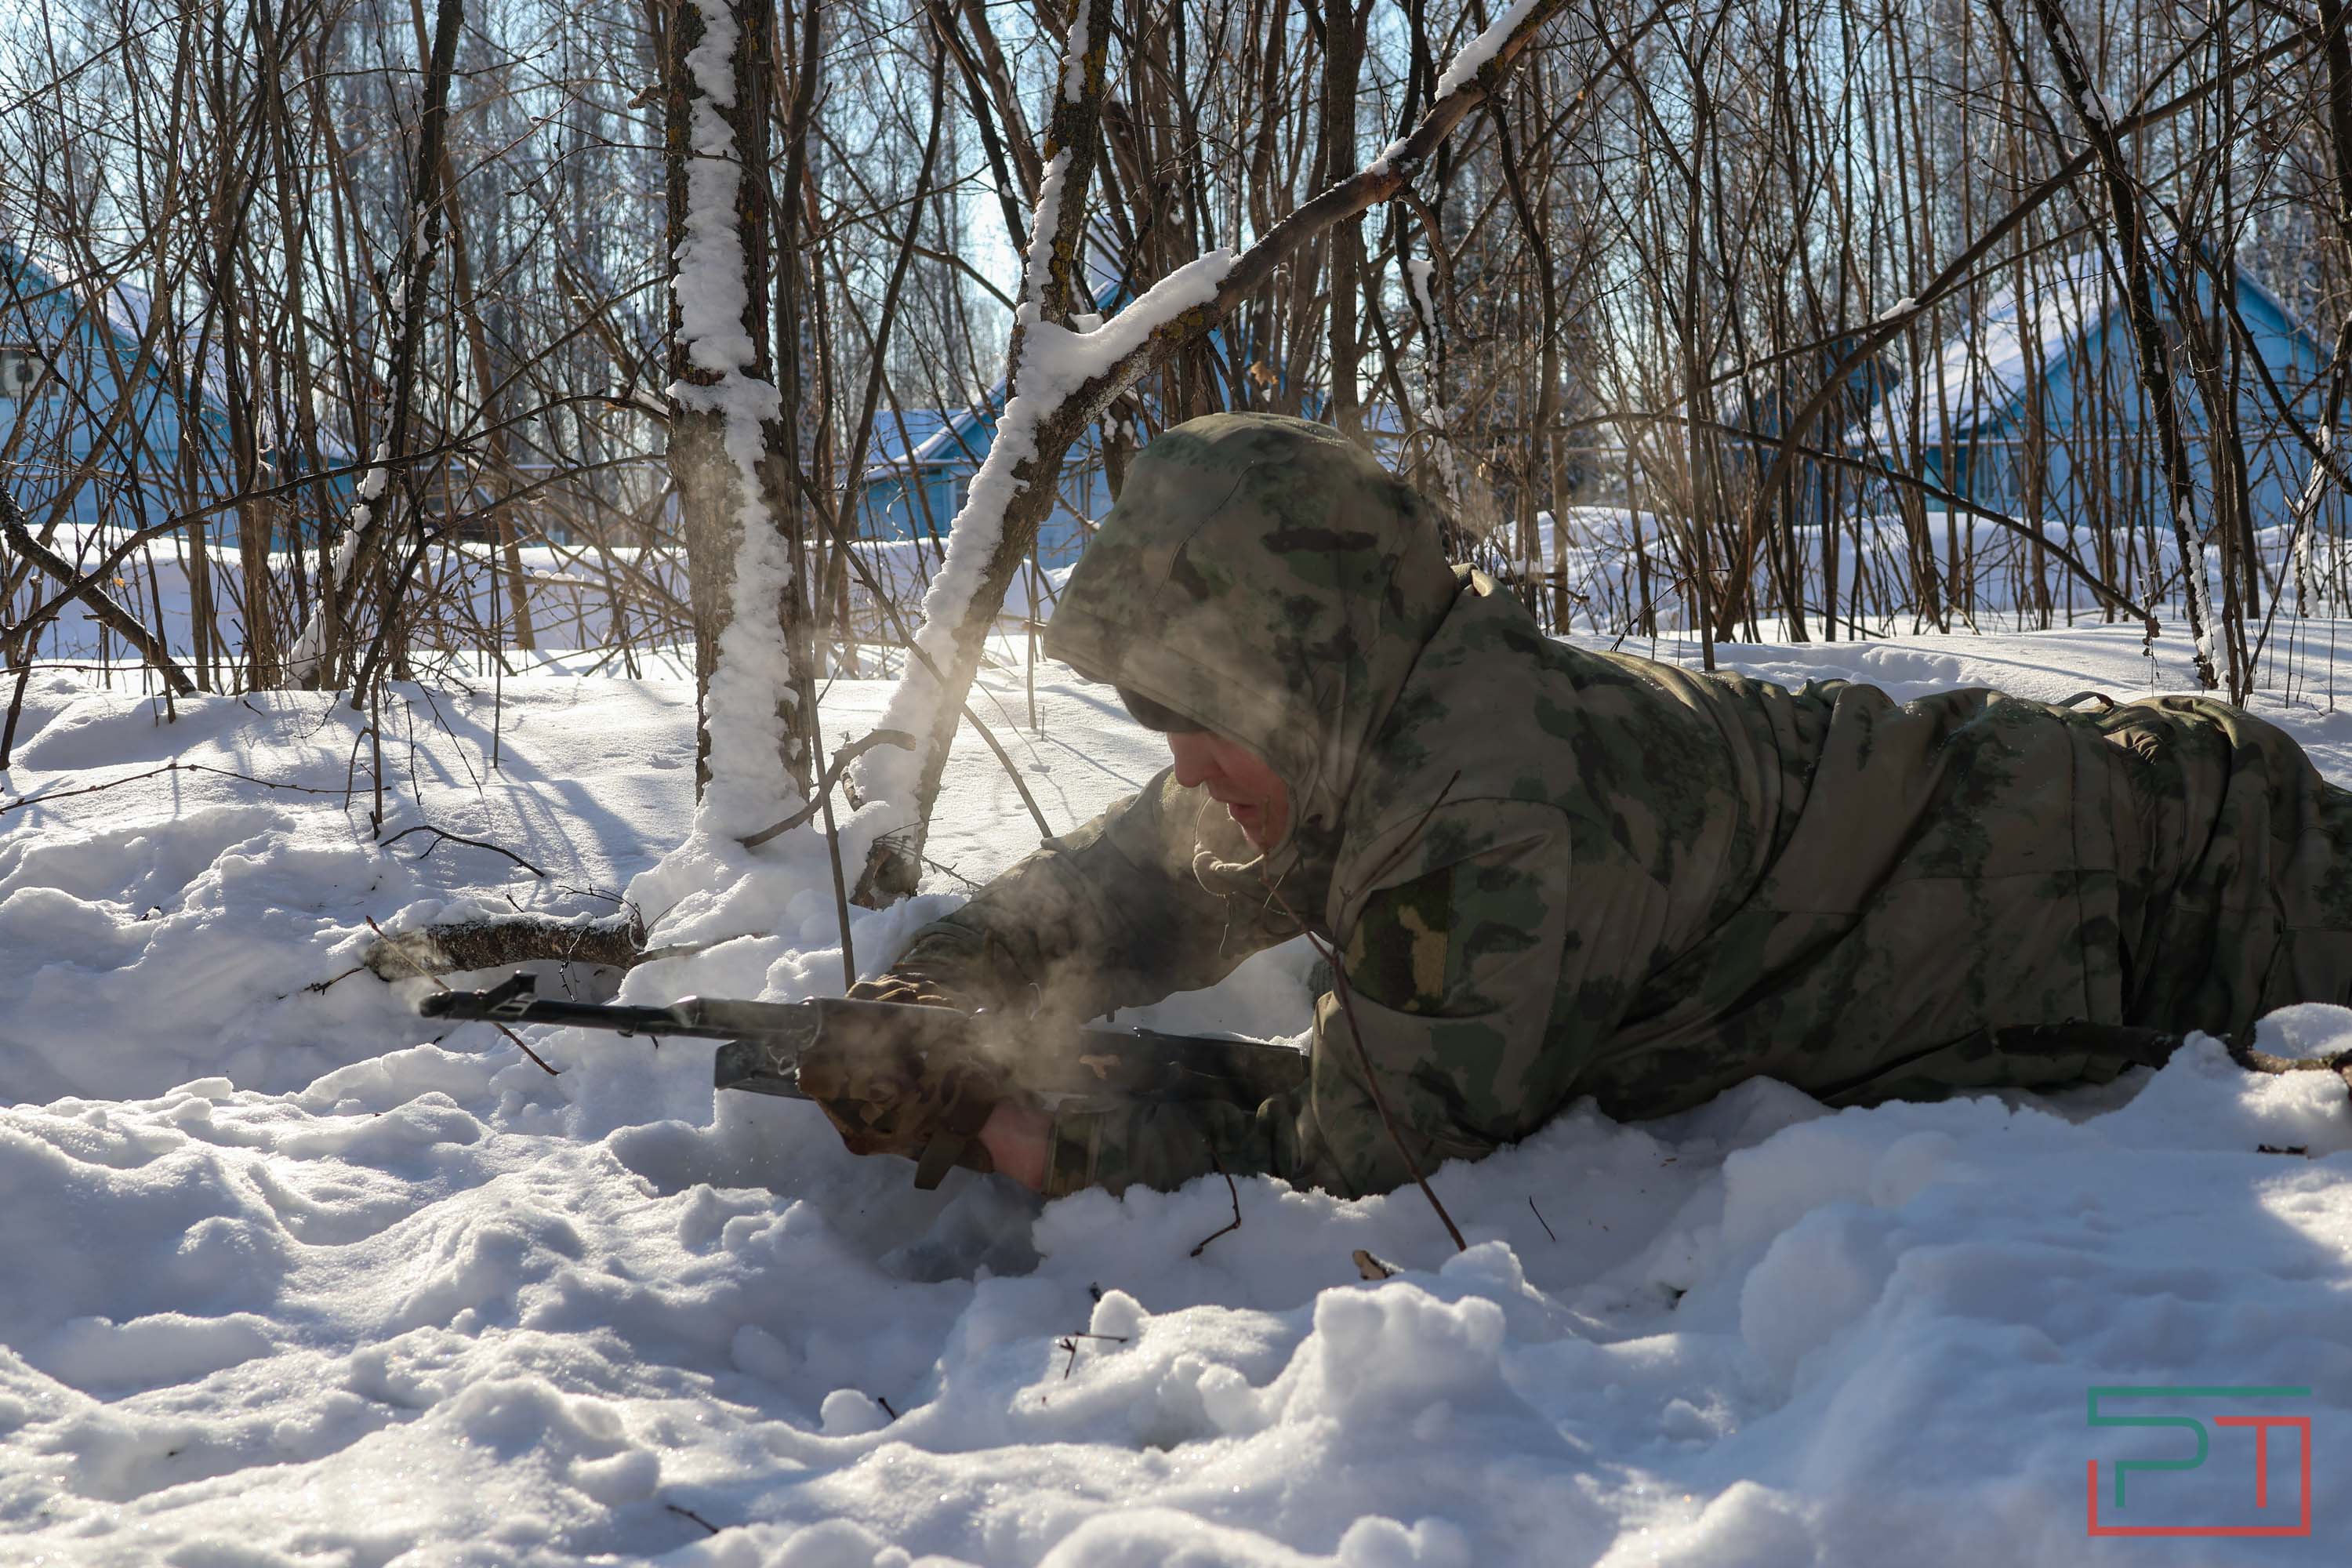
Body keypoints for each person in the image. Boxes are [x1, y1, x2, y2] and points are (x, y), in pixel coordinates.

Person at [833, 412, 2352, 1200]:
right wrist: (940, 988)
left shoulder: (1491, 810)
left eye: (1193, 716)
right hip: (2116, 827)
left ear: (1304, 671)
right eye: (1150, 716)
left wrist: (1028, 1125)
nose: (1179, 761)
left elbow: (1372, 1148)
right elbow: (1139, 885)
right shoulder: (1370, 722)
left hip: (2192, 883)